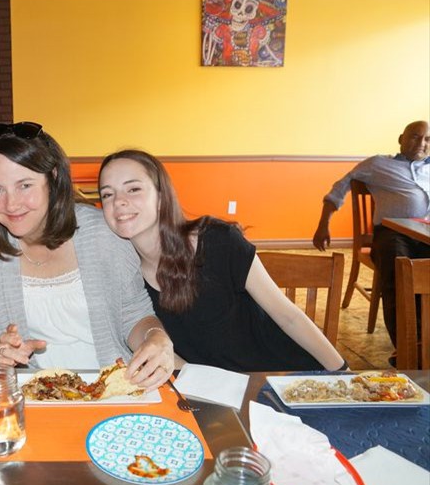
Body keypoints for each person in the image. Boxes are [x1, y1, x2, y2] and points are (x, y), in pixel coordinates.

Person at [0, 122, 174, 392]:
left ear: (54, 177)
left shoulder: (102, 234)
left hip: (113, 388)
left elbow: (134, 313)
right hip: (33, 393)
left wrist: (156, 338)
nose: (11, 204)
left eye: (24, 185)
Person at [98, 150, 348, 373]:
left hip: (279, 378)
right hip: (218, 399)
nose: (118, 201)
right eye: (107, 194)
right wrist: (212, 393)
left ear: (161, 196)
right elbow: (167, 356)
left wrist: (342, 372)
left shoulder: (217, 241)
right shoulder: (126, 276)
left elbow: (288, 316)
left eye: (133, 189)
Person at [313, 120, 430, 348]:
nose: (421, 143)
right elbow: (341, 185)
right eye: (415, 136)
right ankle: (408, 347)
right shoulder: (378, 164)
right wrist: (323, 223)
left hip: (426, 235)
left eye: (427, 139)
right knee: (399, 271)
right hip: (392, 232)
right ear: (401, 138)